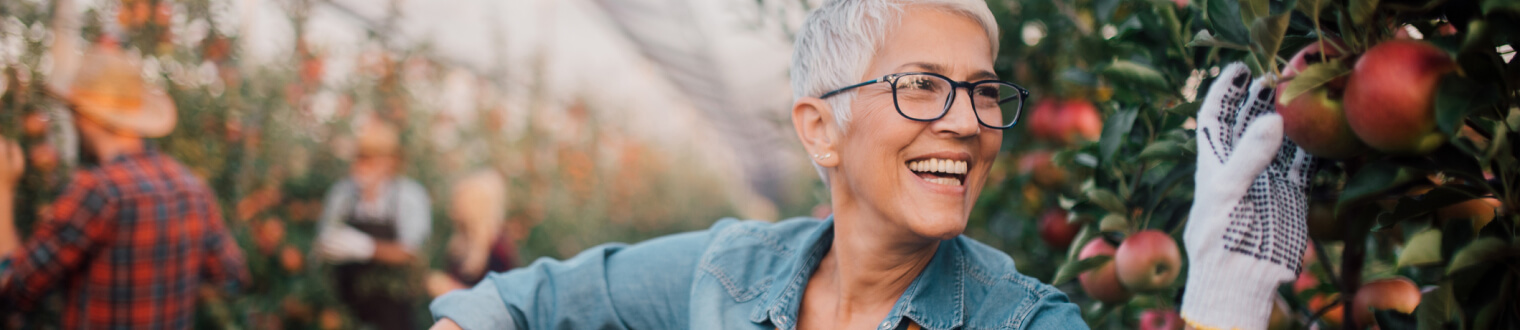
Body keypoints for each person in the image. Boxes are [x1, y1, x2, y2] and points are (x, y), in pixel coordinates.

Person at [430, 0, 1315, 329]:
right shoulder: (728, 274)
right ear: (821, 129)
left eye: (980, 92)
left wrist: (1218, 317)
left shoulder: (1016, 322)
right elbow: (513, 302)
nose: (967, 122)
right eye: (924, 85)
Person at [0, 43, 249, 328]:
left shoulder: (98, 191)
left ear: (87, 117)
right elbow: (233, 278)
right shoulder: (192, 186)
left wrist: (3, 189)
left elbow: (13, 291)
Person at [313, 119, 433, 330]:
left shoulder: (409, 196)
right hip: (347, 309)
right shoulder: (342, 194)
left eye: (369, 158)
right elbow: (322, 242)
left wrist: (366, 248)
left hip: (394, 311)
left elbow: (412, 251)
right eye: (359, 157)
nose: (361, 165)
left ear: (391, 161)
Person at [426, 169, 517, 297]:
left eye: (460, 201)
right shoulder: (459, 242)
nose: (454, 206)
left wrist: (451, 289)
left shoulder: (498, 247)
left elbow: (500, 300)